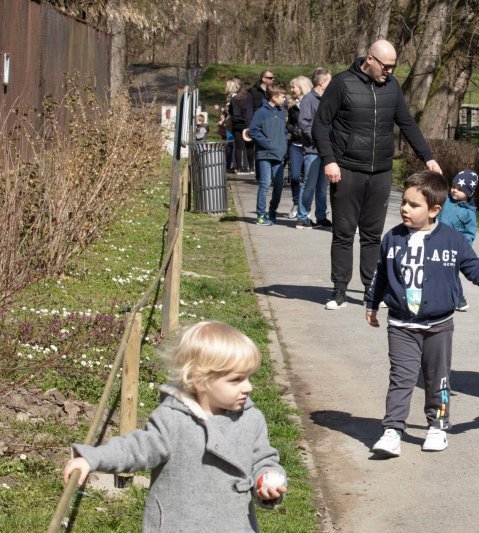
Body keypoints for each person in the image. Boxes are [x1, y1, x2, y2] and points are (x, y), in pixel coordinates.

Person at [61, 321, 287, 531]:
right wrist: (92, 458)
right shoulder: (173, 419)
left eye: (249, 377)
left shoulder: (251, 418)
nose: (248, 387)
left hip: (234, 524)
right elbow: (135, 448)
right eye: (236, 380)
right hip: (178, 523)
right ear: (200, 380)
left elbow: (263, 459)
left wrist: (267, 479)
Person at [365, 170, 479, 457]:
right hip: (401, 324)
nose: (404, 209)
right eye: (404, 203)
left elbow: (477, 270)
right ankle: (393, 430)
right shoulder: (392, 239)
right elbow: (380, 274)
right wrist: (371, 303)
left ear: (435, 209)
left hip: (439, 326)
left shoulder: (452, 240)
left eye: (413, 205)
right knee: (402, 377)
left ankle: (437, 426)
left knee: (439, 379)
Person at [312, 39, 442, 310]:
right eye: (386, 66)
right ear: (370, 59)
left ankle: (372, 288)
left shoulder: (392, 87)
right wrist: (329, 161)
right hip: (346, 169)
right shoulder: (342, 83)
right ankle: (339, 290)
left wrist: (428, 158)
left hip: (380, 171)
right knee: (344, 232)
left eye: (394, 67)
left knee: (372, 235)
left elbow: (406, 122)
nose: (390, 72)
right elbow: (321, 123)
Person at [438, 169, 479, 311]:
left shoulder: (469, 213)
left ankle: (460, 299)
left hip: (453, 246)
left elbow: (469, 233)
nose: (455, 190)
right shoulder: (446, 199)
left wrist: (464, 247)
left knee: (450, 272)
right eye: (454, 186)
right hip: (435, 239)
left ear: (469, 193)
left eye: (460, 189)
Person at [296, 67, 333, 230]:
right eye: (329, 81)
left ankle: (321, 216)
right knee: (309, 185)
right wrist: (319, 139)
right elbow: (304, 124)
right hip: (312, 150)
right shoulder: (308, 100)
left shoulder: (327, 100)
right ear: (322, 82)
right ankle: (302, 216)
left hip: (326, 151)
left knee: (322, 186)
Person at [249, 83, 288, 226]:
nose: (285, 99)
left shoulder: (281, 112)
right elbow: (253, 131)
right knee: (265, 183)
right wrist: (268, 144)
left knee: (278, 186)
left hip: (278, 154)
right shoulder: (261, 112)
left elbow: (283, 131)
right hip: (265, 154)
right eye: (283, 96)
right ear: (274, 96)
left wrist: (283, 146)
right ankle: (260, 215)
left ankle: (273, 211)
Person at [286, 76, 313, 220]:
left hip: (309, 146)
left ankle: (304, 207)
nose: (291, 90)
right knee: (295, 177)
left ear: (301, 87)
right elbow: (289, 123)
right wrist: (293, 129)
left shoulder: (311, 102)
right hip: (296, 145)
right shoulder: (292, 105)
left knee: (307, 179)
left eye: (293, 87)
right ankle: (296, 203)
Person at [230, 82, 255, 174]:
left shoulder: (234, 99)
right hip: (248, 125)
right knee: (250, 147)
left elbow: (230, 112)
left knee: (238, 147)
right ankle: (251, 167)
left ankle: (239, 168)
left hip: (237, 125)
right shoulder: (250, 99)